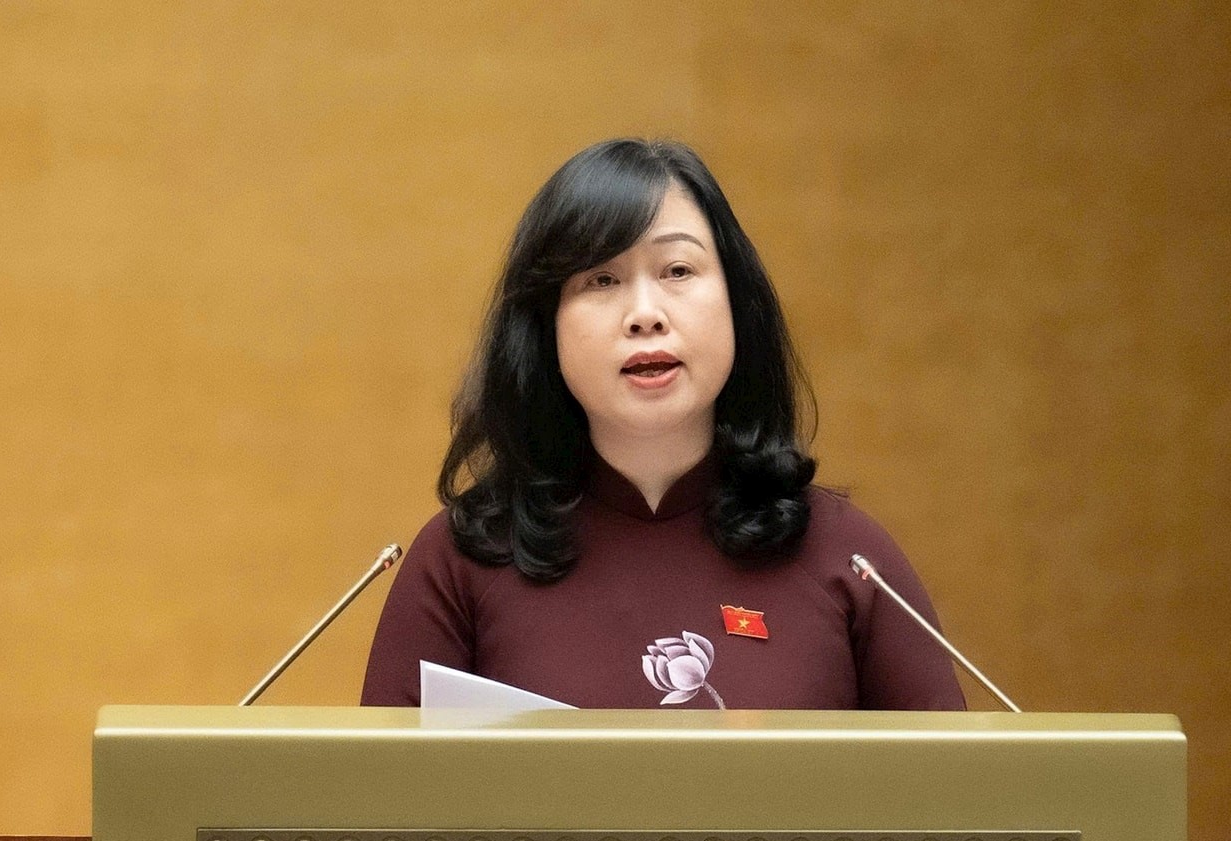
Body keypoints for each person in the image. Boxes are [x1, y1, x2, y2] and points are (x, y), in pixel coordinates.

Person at [360, 138, 966, 711]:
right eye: (601, 279)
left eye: (677, 270)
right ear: (544, 328)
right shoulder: (458, 565)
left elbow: (957, 785)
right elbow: (379, 789)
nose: (645, 314)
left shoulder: (850, 559)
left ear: (738, 303)